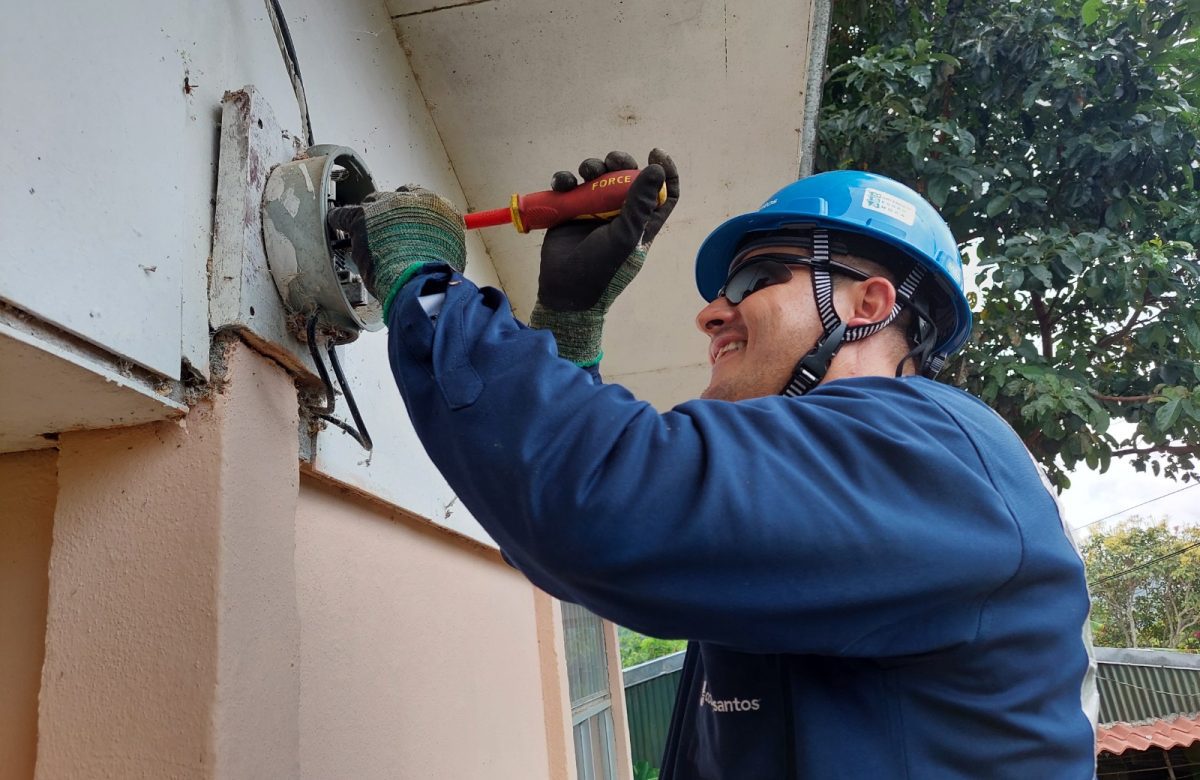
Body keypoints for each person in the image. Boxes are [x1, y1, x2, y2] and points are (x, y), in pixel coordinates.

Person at [328, 151, 1098, 779]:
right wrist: (569, 325)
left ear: (866, 305)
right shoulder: (871, 480)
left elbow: (602, 507)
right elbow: (600, 527)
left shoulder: (929, 455)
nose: (710, 310)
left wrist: (425, 285)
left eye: (752, 280)